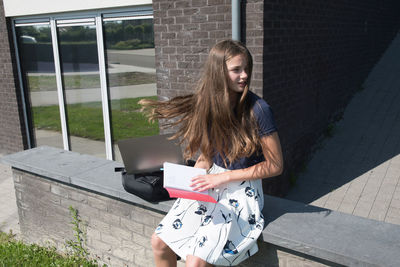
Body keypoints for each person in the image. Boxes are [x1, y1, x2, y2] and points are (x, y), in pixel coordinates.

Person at [140, 39, 283, 267]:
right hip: (210, 183)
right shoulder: (208, 106)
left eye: (246, 68)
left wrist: (223, 177)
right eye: (236, 70)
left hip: (242, 191)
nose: (245, 75)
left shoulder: (259, 110)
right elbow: (206, 156)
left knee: (196, 261)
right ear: (218, 73)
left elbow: (275, 165)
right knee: (158, 242)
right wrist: (192, 177)